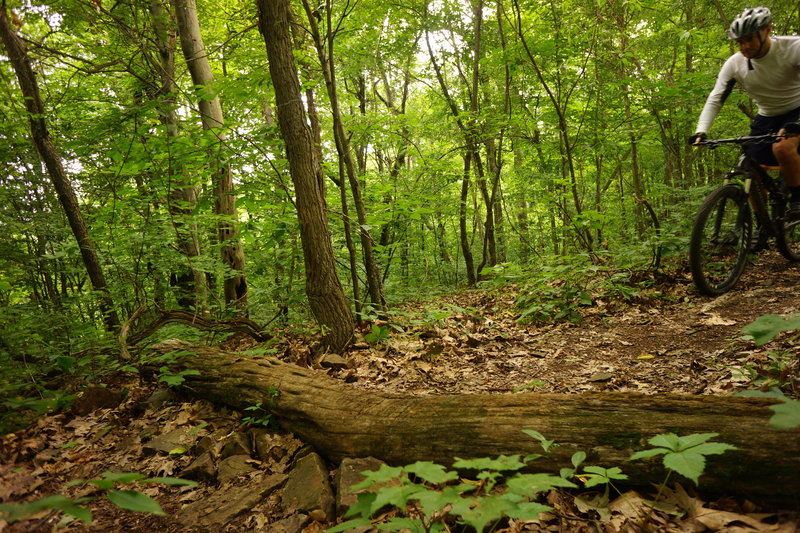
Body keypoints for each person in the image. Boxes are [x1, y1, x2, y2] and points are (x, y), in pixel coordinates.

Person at [691, 7, 800, 239]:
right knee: (751, 168)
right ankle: (763, 225)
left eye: (749, 39)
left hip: (796, 110)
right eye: (739, 42)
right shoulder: (735, 63)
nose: (744, 47)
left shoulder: (793, 49)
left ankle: (797, 199)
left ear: (768, 30)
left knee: (782, 147)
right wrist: (701, 130)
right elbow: (716, 97)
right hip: (767, 115)